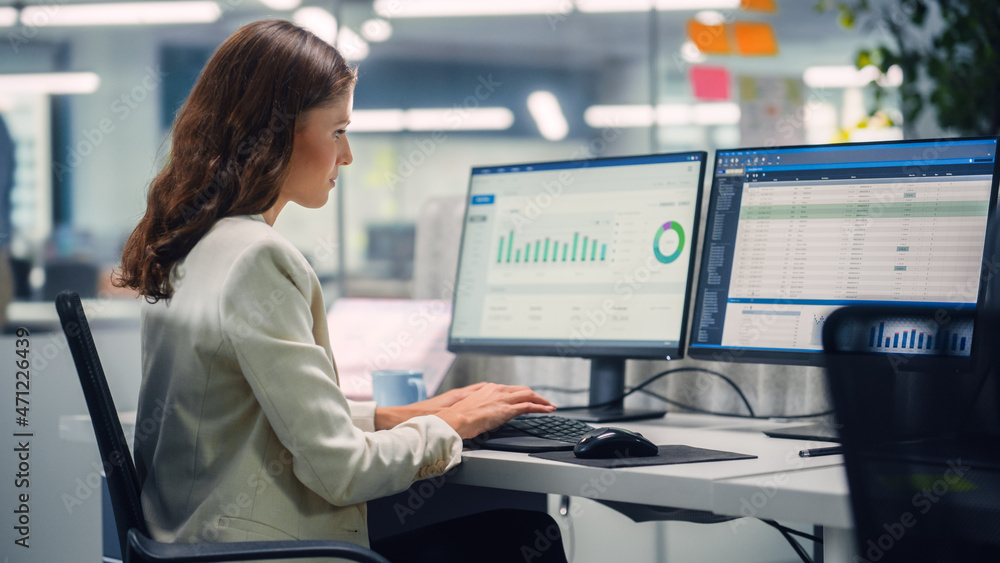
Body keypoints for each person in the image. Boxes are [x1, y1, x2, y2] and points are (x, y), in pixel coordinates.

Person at [113, 19, 568, 563]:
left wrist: (391, 417)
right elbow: (342, 472)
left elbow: (249, 421)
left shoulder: (190, 246)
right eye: (337, 131)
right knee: (519, 535)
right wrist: (446, 428)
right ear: (276, 134)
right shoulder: (258, 256)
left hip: (194, 543)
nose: (347, 156)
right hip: (269, 553)